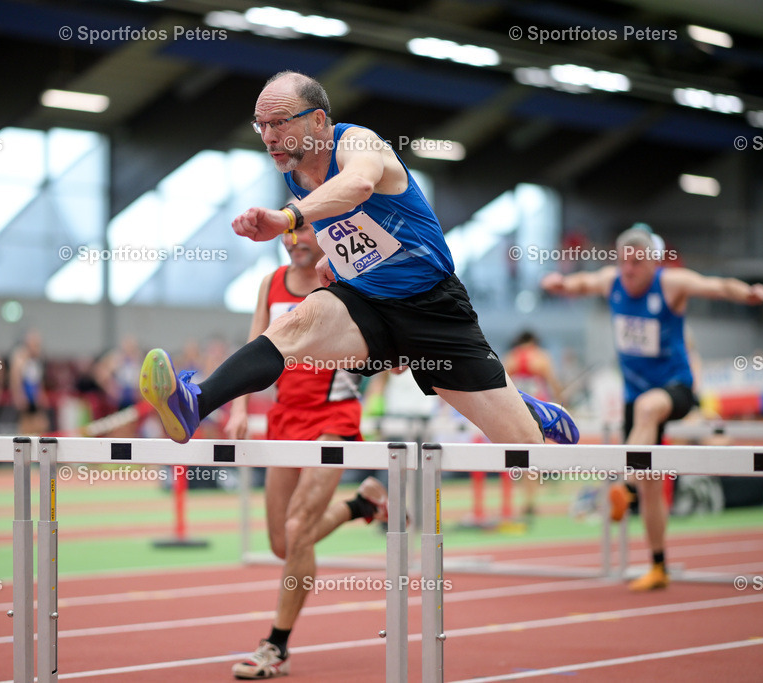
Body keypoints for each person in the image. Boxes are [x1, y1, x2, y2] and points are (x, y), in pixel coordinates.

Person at [139, 71, 577, 672]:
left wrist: (288, 219)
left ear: (318, 120)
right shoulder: (294, 170)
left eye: (278, 123)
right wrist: (333, 269)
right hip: (367, 307)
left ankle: (530, 412)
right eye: (260, 125)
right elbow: (350, 236)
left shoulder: (359, 144)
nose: (268, 136)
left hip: (432, 312)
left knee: (524, 452)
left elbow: (357, 189)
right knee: (298, 323)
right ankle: (196, 402)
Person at [542, 226, 763, 590]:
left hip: (676, 388)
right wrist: (561, 284)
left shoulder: (671, 284)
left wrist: (748, 293)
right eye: (623, 262)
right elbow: (584, 283)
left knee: (651, 409)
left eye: (636, 263)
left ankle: (625, 490)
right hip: (636, 397)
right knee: (652, 480)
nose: (628, 270)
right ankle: (658, 565)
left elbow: (714, 286)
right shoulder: (612, 281)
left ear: (652, 262)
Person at [223, 221, 389, 679]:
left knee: (299, 529)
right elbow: (252, 351)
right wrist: (239, 410)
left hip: (334, 418)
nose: (294, 242)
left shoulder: (347, 278)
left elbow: (386, 352)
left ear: (326, 236)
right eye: (288, 236)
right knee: (282, 543)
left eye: (303, 234)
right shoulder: (270, 284)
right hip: (285, 418)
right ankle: (362, 504)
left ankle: (276, 646)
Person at [503, 330, 564, 519]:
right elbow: (553, 383)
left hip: (518, 410)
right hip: (539, 410)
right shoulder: (541, 357)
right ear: (534, 342)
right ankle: (531, 499)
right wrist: (561, 402)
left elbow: (501, 385)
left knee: (522, 457)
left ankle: (527, 499)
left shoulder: (511, 358)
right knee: (535, 455)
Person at [10, 329, 48, 435]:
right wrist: (19, 395)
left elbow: (38, 380)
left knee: (42, 425)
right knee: (27, 427)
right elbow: (15, 379)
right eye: (35, 345)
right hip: (26, 396)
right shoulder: (20, 358)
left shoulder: (37, 359)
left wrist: (41, 394)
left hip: (34, 396)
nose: (37, 348)